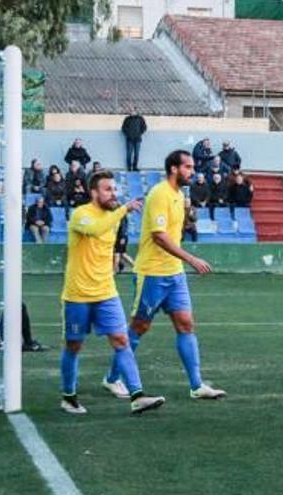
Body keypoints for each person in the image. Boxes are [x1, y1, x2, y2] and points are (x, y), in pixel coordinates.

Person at [60, 170, 164, 415]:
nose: (113, 193)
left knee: (121, 340)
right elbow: (96, 229)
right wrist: (123, 210)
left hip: (106, 292)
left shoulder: (115, 217)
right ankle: (68, 396)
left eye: (114, 189)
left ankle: (137, 395)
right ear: (93, 192)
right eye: (107, 189)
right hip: (78, 295)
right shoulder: (80, 215)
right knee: (73, 345)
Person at [129, 150, 227, 400]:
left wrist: (189, 214)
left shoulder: (179, 195)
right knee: (140, 327)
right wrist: (192, 259)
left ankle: (197, 386)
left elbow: (174, 231)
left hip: (174, 273)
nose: (192, 171)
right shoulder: (160, 193)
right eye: (188, 167)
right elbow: (159, 237)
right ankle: (114, 378)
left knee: (186, 324)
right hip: (152, 272)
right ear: (174, 169)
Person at [121, 107, 147, 171]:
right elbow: (123, 128)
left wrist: (139, 133)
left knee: (136, 154)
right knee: (129, 154)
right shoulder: (127, 119)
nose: (131, 112)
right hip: (129, 139)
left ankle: (135, 167)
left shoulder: (140, 118)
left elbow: (144, 127)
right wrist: (128, 134)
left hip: (137, 139)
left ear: (136, 111)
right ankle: (129, 168)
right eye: (130, 111)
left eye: (132, 111)